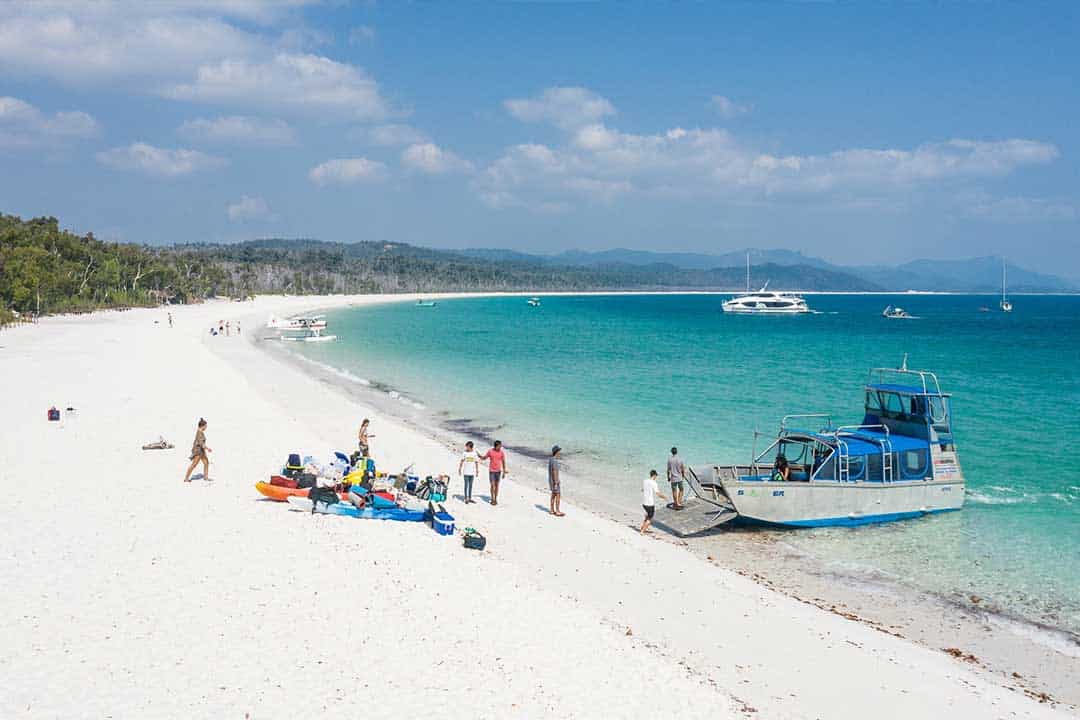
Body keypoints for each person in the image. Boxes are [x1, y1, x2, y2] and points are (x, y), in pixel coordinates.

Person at [183, 418, 211, 482]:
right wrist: (208, 448)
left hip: (201, 451)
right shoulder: (199, 433)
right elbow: (201, 443)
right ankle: (186, 478)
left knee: (206, 463)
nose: (206, 427)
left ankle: (206, 478)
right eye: (205, 426)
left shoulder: (200, 432)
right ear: (202, 426)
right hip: (198, 451)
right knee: (194, 465)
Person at [480, 440, 507, 506]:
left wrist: (504, 472)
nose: (501, 447)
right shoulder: (490, 451)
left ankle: (495, 499)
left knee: (497, 485)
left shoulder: (501, 452)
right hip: (492, 471)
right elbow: (485, 458)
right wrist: (479, 456)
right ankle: (492, 498)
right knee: (492, 485)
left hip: (498, 471)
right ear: (496, 446)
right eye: (499, 446)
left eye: (501, 446)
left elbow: (503, 462)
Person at [641, 470, 666, 534]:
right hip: (650, 504)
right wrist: (664, 497)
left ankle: (643, 527)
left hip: (644, 503)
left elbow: (642, 490)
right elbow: (658, 494)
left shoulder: (645, 481)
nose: (656, 477)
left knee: (647, 515)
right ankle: (642, 531)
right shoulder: (654, 483)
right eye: (656, 476)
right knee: (650, 518)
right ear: (654, 475)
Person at [547, 445, 565, 516]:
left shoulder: (551, 459)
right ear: (556, 452)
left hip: (551, 481)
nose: (559, 453)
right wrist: (556, 481)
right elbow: (554, 471)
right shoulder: (555, 461)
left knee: (553, 495)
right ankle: (557, 511)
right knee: (558, 495)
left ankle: (551, 510)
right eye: (559, 451)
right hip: (554, 482)